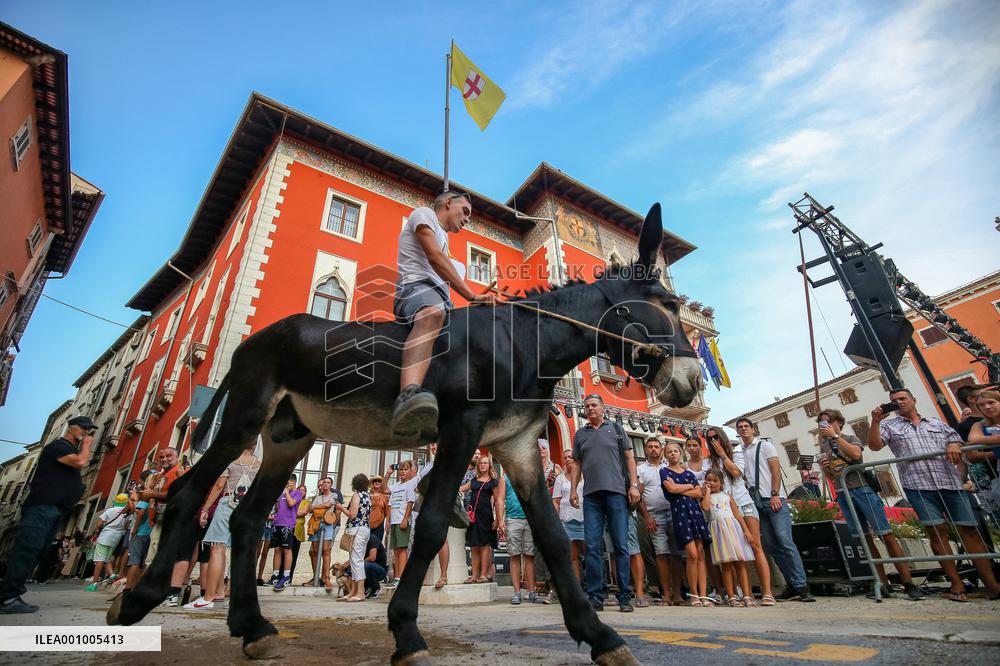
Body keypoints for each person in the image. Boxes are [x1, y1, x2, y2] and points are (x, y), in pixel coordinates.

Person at [871, 388, 1000, 601]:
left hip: (949, 481)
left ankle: (991, 584)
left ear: (913, 400)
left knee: (969, 532)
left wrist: (952, 444)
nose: (899, 402)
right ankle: (956, 584)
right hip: (918, 484)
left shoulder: (935, 423)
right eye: (894, 400)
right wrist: (875, 421)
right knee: (936, 533)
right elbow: (875, 446)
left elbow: (956, 439)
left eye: (903, 398)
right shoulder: (888, 425)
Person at [390, 191, 495, 439]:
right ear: (448, 203)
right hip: (414, 289)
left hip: (440, 297)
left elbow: (445, 268)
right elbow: (435, 258)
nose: (468, 219)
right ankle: (408, 394)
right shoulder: (423, 214)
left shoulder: (445, 241)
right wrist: (471, 295)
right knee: (432, 314)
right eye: (465, 211)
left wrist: (478, 298)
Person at [816, 408, 923, 600]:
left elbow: (856, 454)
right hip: (843, 493)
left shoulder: (849, 438)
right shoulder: (824, 448)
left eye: (829, 422)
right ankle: (881, 583)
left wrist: (835, 437)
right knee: (864, 539)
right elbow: (833, 477)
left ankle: (908, 582)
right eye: (822, 423)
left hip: (862, 489)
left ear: (839, 422)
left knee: (886, 535)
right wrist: (825, 470)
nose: (826, 426)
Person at [1, 415, 94, 614]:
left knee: (38, 550)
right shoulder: (58, 446)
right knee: (28, 548)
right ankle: (7, 597)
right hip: (42, 506)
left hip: (55, 508)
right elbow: (81, 462)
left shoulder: (67, 449)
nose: (87, 433)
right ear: (72, 428)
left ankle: (12, 594)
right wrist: (86, 445)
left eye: (89, 430)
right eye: (84, 429)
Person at [569, 394, 641, 613]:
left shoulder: (617, 430)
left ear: (603, 407)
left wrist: (634, 485)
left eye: (594, 405)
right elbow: (576, 463)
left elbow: (630, 458)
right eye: (587, 406)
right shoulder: (581, 434)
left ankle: (624, 597)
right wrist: (573, 489)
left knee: (620, 545)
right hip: (591, 496)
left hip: (617, 494)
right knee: (592, 546)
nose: (590, 408)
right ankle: (595, 596)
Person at [735, 417, 815, 602]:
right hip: (756, 502)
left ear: (753, 429)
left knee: (785, 541)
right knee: (771, 546)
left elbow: (775, 470)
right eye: (740, 428)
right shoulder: (741, 452)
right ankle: (792, 584)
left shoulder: (765, 446)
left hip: (772, 499)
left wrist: (774, 494)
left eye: (746, 426)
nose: (744, 429)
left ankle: (802, 585)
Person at [185, 443, 260, 609]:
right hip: (248, 508)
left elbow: (219, 486)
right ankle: (221, 591)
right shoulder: (259, 464)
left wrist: (205, 509)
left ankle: (208, 597)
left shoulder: (229, 459)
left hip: (228, 504)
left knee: (217, 548)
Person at [706, 426, 774, 606]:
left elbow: (736, 473)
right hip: (724, 508)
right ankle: (746, 593)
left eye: (716, 437)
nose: (714, 441)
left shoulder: (737, 455)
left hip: (743, 503)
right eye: (710, 438)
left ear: (722, 438)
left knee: (755, 546)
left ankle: (767, 592)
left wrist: (723, 455)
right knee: (734, 553)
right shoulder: (709, 462)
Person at [661, 441, 711, 606]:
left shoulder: (689, 474)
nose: (673, 453)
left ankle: (703, 594)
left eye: (675, 451)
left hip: (695, 513)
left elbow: (699, 493)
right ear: (665, 454)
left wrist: (682, 487)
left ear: (680, 453)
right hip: (680, 515)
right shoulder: (664, 471)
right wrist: (689, 487)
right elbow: (671, 490)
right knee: (692, 554)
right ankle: (694, 594)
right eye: (669, 451)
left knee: (700, 553)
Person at [636, 436, 684, 606]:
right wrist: (647, 517)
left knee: (677, 555)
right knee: (661, 555)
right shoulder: (640, 469)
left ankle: (677, 594)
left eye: (657, 446)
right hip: (654, 516)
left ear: (661, 449)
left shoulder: (670, 466)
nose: (654, 449)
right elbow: (638, 495)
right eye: (650, 447)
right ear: (646, 449)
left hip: (674, 513)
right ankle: (666, 594)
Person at [701, 468, 756, 607]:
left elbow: (737, 514)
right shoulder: (705, 497)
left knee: (740, 564)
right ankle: (731, 596)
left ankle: (746, 595)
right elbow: (706, 508)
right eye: (709, 480)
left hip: (733, 529)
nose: (712, 483)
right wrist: (706, 492)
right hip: (718, 532)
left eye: (715, 480)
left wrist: (746, 531)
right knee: (725, 565)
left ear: (721, 482)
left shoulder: (727, 496)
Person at [684, 435, 723, 604]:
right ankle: (712, 588)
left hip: (715, 504)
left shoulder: (709, 462)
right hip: (696, 509)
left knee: (721, 546)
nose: (692, 448)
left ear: (700, 446)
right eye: (689, 446)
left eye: (694, 445)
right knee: (705, 552)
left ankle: (727, 588)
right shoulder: (684, 466)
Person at [501, 467, 542, 605]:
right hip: (513, 519)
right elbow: (500, 499)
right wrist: (500, 520)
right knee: (514, 555)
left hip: (529, 518)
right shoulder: (505, 477)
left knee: (529, 556)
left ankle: (532, 592)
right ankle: (517, 593)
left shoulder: (530, 475)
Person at [461, 453, 500, 583]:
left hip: (486, 516)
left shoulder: (493, 482)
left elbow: (498, 500)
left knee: (484, 545)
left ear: (489, 465)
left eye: (485, 463)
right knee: (474, 546)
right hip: (473, 517)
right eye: (481, 463)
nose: (483, 465)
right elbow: (461, 489)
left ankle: (483, 575)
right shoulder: (474, 481)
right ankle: (474, 575)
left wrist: (498, 519)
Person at [87, 493, 134, 591]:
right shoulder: (129, 513)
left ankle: (94, 583)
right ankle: (112, 574)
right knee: (107, 558)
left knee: (100, 559)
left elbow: (99, 524)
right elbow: (126, 527)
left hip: (105, 536)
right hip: (116, 537)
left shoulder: (110, 510)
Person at [337, 473, 371, 602]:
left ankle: (360, 592)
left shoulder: (357, 496)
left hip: (357, 529)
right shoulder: (367, 496)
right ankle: (353, 591)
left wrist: (341, 508)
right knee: (355, 560)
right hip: (365, 529)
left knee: (356, 561)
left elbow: (352, 515)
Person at [552, 449, 585, 581]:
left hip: (585, 517)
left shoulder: (585, 475)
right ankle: (576, 587)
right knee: (572, 556)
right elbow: (555, 501)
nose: (568, 459)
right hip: (566, 519)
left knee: (590, 553)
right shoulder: (560, 479)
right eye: (565, 457)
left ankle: (593, 586)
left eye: (570, 456)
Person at [306, 477, 343, 589]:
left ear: (331, 485)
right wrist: (314, 508)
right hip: (316, 524)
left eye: (328, 483)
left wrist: (315, 507)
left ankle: (327, 578)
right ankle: (316, 577)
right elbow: (310, 510)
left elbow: (328, 505)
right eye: (324, 483)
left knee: (326, 551)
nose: (326, 485)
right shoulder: (317, 497)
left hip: (327, 525)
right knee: (316, 551)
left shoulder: (334, 496)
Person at [385, 460, 418, 584]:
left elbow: (410, 502)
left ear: (411, 471)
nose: (403, 472)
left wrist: (405, 519)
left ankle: (401, 577)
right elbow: (384, 489)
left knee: (402, 548)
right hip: (394, 521)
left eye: (405, 469)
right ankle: (397, 576)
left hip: (402, 520)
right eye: (401, 469)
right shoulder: (396, 485)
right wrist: (388, 473)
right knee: (396, 550)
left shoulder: (409, 485)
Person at [269, 476, 304, 591]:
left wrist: (287, 492)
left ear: (293, 482)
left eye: (288, 482)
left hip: (288, 525)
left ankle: (286, 576)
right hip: (277, 524)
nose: (286, 484)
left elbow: (291, 503)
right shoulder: (282, 493)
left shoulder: (297, 493)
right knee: (277, 549)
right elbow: (279, 507)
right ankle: (275, 575)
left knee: (287, 550)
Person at [363, 531, 389, 598]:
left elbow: (372, 558)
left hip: (380, 570)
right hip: (366, 565)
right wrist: (342, 567)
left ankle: (375, 587)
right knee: (349, 568)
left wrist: (358, 563)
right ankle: (365, 587)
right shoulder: (357, 540)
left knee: (366, 566)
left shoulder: (372, 538)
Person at [368, 475, 389, 544]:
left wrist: (387, 523)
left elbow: (387, 512)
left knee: (376, 547)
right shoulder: (367, 496)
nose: (377, 482)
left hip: (379, 526)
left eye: (379, 481)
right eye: (375, 481)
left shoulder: (385, 497)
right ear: (372, 483)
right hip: (366, 525)